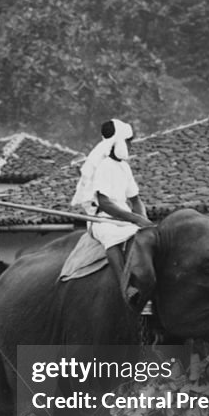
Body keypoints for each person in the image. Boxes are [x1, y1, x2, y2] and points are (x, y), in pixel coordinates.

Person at [72, 119, 153, 292]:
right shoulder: (103, 166)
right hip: (102, 219)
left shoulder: (124, 167)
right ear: (119, 142)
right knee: (112, 237)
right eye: (128, 142)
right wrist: (135, 218)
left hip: (124, 217)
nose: (130, 146)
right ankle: (126, 285)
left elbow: (136, 200)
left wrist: (145, 221)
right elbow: (105, 203)